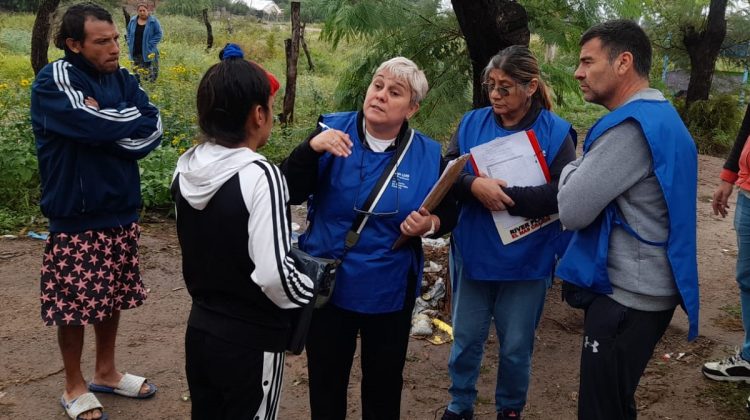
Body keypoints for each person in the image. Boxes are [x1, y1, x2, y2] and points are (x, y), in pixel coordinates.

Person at [281, 56, 457, 420]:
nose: (380, 96)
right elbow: (289, 190)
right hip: (329, 284)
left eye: (394, 92)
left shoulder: (425, 154)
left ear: (412, 108)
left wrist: (429, 225)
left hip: (389, 288)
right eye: (377, 85)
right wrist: (310, 149)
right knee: (326, 383)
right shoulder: (331, 131)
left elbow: (451, 210)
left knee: (384, 383)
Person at [555, 20, 699, 420]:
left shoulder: (631, 131)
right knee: (616, 403)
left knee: (600, 410)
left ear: (623, 62)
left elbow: (572, 209)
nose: (578, 73)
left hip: (626, 297)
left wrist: (571, 170)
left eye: (587, 61)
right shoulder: (664, 118)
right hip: (652, 288)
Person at [30, 3, 162, 420]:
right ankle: (74, 385)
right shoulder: (56, 79)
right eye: (102, 42)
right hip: (75, 214)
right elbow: (91, 122)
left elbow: (153, 125)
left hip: (121, 210)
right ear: (74, 44)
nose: (114, 49)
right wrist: (112, 123)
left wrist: (104, 126)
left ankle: (106, 371)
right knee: (74, 305)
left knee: (112, 296)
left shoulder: (123, 79)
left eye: (116, 39)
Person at [172, 43, 314, 419]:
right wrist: (311, 289)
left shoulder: (186, 167)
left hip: (200, 328)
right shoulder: (260, 174)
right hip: (252, 340)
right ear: (258, 114)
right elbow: (273, 275)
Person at [440, 46, 577, 420]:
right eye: (491, 86)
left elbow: (560, 194)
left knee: (516, 345)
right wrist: (472, 186)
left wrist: (501, 195)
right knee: (465, 337)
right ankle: (460, 403)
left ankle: (510, 409)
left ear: (531, 86)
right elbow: (447, 169)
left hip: (527, 258)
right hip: (474, 250)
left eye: (505, 88)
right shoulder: (472, 123)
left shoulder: (556, 132)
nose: (496, 96)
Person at [704, 119, 750, 409]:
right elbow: (747, 125)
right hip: (748, 192)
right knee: (747, 279)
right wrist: (728, 177)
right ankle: (748, 358)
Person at [127, 2, 162, 82]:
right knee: (136, 74)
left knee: (149, 74)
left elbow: (159, 34)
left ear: (148, 10)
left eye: (144, 10)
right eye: (140, 11)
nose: (142, 12)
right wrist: (129, 42)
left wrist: (150, 44)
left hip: (148, 52)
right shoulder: (133, 21)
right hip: (135, 51)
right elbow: (128, 32)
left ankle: (149, 89)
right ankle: (138, 88)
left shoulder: (153, 21)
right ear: (137, 11)